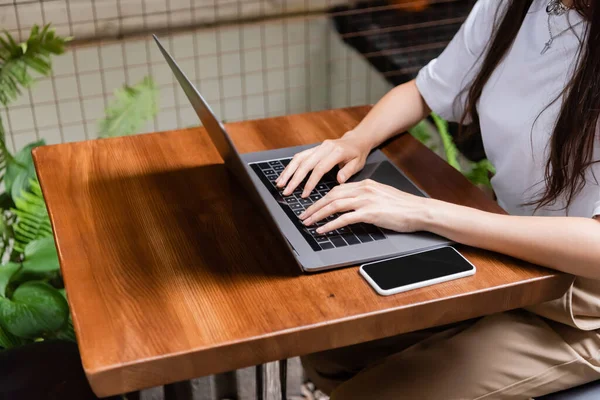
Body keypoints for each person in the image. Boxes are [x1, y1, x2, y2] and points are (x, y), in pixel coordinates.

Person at [276, 0, 600, 398]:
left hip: (582, 305)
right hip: (507, 252)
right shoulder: (514, 6)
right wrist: (355, 141)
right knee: (328, 352)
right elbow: (424, 90)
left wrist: (426, 212)